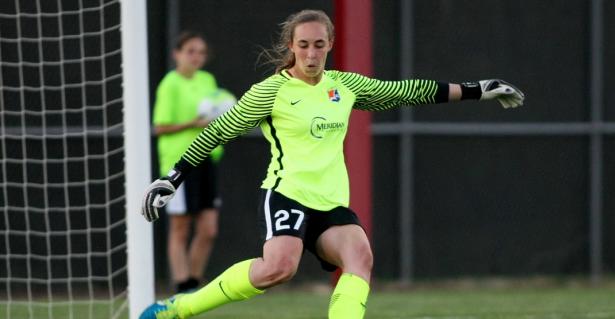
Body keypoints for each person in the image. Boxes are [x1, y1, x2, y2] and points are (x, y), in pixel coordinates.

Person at [140, 9, 524, 319]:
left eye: (318, 45)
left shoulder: (344, 86)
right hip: (286, 193)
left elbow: (405, 92)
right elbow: (217, 132)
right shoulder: (271, 91)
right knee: (279, 268)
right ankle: (180, 308)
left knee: (361, 257)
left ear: (330, 45)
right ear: (291, 46)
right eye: (303, 45)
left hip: (330, 201)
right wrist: (171, 179)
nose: (310, 54)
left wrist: (477, 89)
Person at [153, 31, 235, 294]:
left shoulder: (207, 80)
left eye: (201, 52)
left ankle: (193, 286)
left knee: (209, 229)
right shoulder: (170, 84)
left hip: (207, 158)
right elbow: (160, 127)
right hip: (180, 163)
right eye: (190, 51)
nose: (196, 57)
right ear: (177, 54)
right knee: (180, 227)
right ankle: (182, 286)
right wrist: (193, 123)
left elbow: (216, 111)